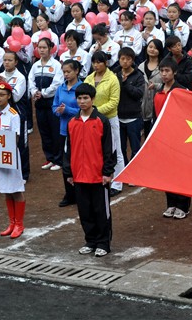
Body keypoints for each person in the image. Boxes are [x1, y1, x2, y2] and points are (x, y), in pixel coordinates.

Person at [63, 83, 116, 257]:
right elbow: (68, 149)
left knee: (101, 211)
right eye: (79, 98)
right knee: (84, 211)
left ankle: (103, 243)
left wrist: (107, 172)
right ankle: (91, 241)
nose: (82, 101)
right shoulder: (72, 122)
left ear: (92, 99)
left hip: (98, 176)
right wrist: (69, 173)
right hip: (79, 176)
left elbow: (110, 149)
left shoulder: (102, 121)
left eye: (85, 98)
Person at [84, 51, 125, 197]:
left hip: (109, 119)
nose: (96, 65)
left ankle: (118, 183)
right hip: (94, 120)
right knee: (97, 149)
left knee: (116, 150)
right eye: (94, 62)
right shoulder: (89, 78)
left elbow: (114, 102)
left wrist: (95, 111)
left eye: (99, 62)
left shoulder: (112, 79)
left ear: (105, 63)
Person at [154, 57, 190, 219]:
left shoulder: (182, 92)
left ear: (174, 72)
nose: (164, 74)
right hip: (164, 138)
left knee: (181, 172)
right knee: (167, 171)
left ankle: (183, 206)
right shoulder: (159, 92)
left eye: (167, 71)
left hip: (180, 138)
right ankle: (171, 204)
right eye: (161, 71)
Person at [0, 81, 26, 238]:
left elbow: (16, 137)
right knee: (5, 190)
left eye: (2, 95)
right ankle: (11, 223)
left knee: (16, 190)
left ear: (9, 96)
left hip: (9, 156)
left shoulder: (13, 114)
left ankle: (19, 224)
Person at [28, 38, 63, 172]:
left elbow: (57, 84)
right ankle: (50, 158)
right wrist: (34, 92)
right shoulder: (35, 65)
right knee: (44, 131)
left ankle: (58, 159)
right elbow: (30, 80)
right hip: (39, 102)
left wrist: (43, 93)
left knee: (55, 131)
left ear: (50, 49)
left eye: (44, 47)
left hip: (52, 102)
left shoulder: (56, 65)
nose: (41, 50)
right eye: (39, 47)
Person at [52, 60, 82, 207]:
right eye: (64, 72)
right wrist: (58, 111)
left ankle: (80, 192)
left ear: (76, 71)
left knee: (80, 161)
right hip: (65, 131)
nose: (66, 74)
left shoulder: (82, 88)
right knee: (66, 163)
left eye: (68, 71)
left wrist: (67, 110)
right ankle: (69, 194)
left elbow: (84, 110)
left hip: (79, 131)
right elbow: (54, 106)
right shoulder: (61, 88)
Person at [114, 47, 145, 165]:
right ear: (119, 59)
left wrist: (126, 83)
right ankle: (124, 169)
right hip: (118, 117)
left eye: (128, 59)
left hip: (134, 118)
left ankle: (134, 169)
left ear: (133, 60)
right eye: (122, 59)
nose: (125, 61)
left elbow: (139, 94)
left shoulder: (138, 75)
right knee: (120, 148)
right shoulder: (114, 74)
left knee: (135, 148)